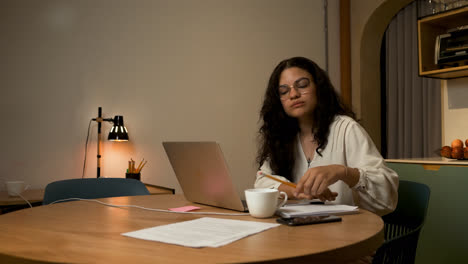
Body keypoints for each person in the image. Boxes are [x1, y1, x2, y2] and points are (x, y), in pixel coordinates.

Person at [255, 56, 398, 216]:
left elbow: (386, 196)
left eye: (302, 85)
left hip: (346, 230)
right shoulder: (282, 137)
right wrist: (297, 191)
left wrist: (342, 172)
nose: (293, 94)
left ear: (318, 87)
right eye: (284, 91)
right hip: (302, 232)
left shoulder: (346, 128)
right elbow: (262, 180)